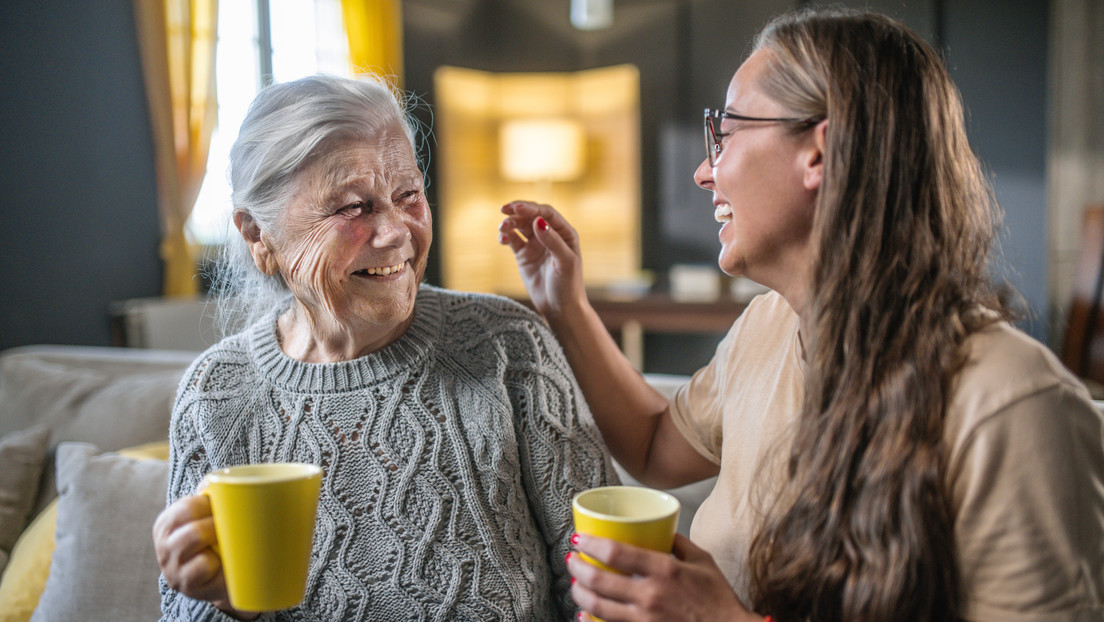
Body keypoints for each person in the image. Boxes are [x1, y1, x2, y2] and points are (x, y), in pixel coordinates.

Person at [498, 8, 1104, 622]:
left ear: (820, 151)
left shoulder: (1010, 403)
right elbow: (655, 448)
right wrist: (564, 304)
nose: (704, 172)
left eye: (725, 133)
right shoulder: (767, 326)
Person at [152, 73, 618, 622]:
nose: (396, 232)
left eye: (408, 196)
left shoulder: (507, 345)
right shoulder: (218, 395)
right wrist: (223, 606)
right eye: (355, 207)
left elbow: (605, 581)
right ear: (258, 235)